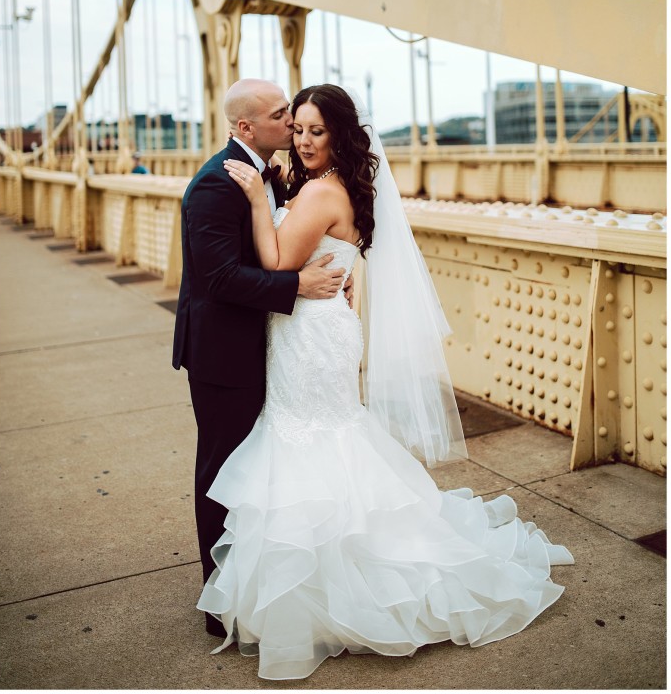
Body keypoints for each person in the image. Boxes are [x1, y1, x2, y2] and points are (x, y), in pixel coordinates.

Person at [196, 83, 574, 681]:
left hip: (309, 338)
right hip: (321, 328)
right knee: (327, 437)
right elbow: (321, 257)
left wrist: (252, 205)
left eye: (316, 131)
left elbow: (275, 264)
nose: (303, 139)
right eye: (297, 128)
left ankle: (331, 580)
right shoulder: (340, 186)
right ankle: (330, 567)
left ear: (340, 134)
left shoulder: (319, 191)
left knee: (312, 439)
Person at [172, 79, 349, 639]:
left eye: (302, 123)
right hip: (223, 355)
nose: (292, 125)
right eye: (284, 118)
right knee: (223, 474)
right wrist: (298, 283)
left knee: (264, 472)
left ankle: (259, 582)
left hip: (269, 348)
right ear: (246, 128)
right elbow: (220, 278)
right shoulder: (214, 186)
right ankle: (219, 600)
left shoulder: (273, 176)